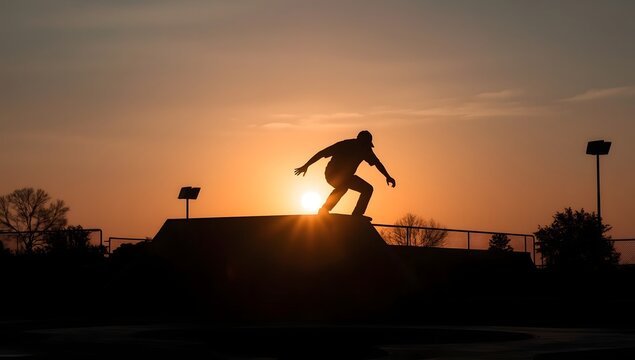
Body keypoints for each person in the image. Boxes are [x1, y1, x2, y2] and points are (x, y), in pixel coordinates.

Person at [294, 130, 396, 218]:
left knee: (367, 189)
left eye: (366, 146)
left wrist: (387, 176)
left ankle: (357, 214)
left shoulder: (366, 150)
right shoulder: (345, 145)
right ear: (359, 141)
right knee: (343, 187)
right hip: (332, 174)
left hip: (347, 177)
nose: (365, 148)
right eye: (364, 145)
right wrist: (306, 165)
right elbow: (322, 153)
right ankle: (324, 210)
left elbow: (377, 163)